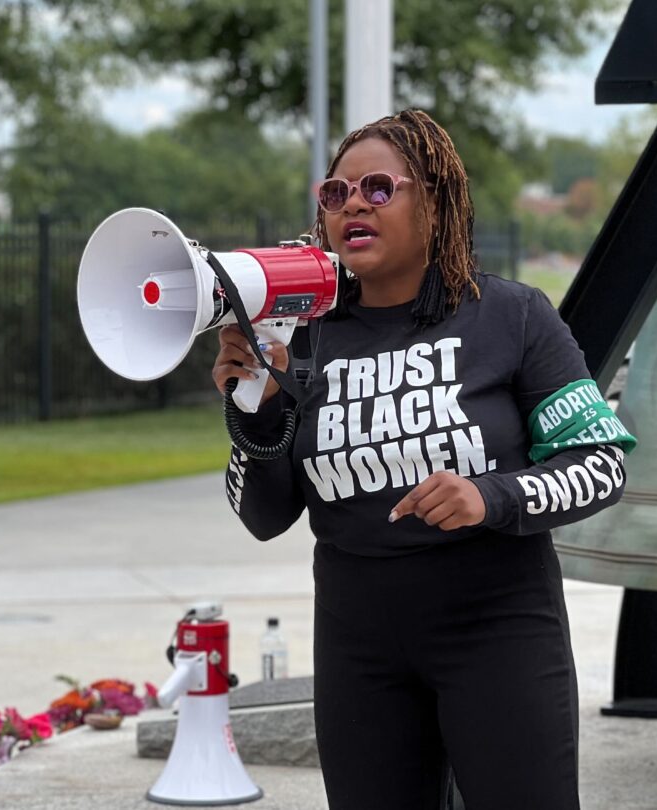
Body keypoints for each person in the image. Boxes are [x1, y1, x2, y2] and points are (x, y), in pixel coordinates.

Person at [211, 109, 631, 810]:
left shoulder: (512, 316)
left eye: (378, 188)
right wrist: (255, 404)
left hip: (497, 635)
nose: (352, 206)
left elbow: (602, 463)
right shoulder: (305, 339)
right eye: (334, 194)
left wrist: (490, 497)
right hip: (359, 652)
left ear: (434, 203)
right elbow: (263, 515)